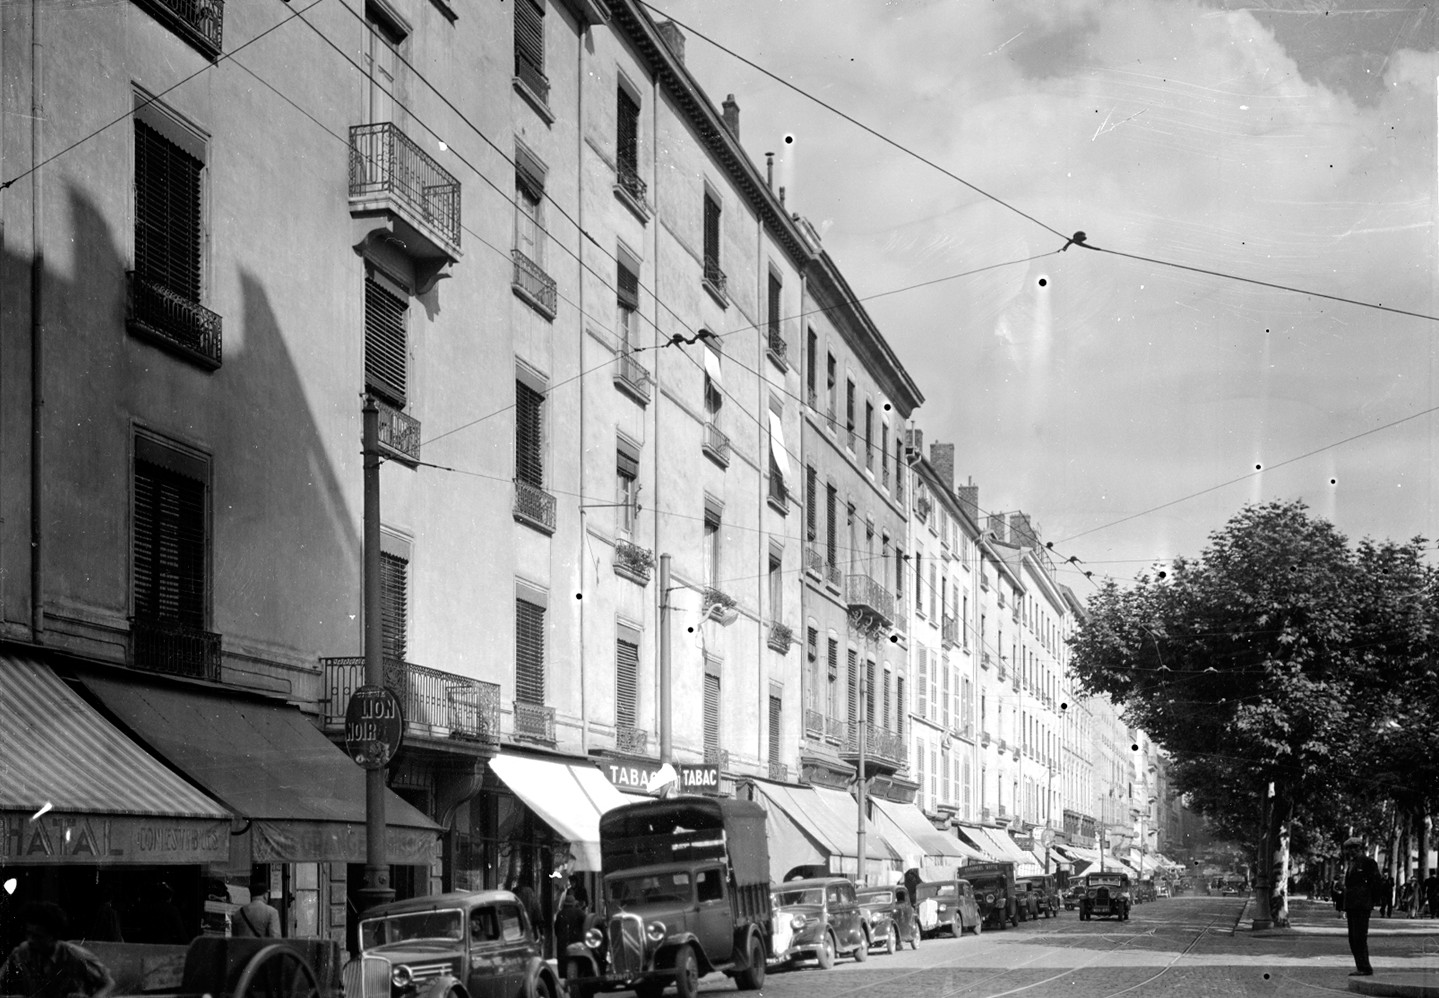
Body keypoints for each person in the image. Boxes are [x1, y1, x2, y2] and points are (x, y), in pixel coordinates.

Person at [1, 901, 116, 998]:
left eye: (37, 936)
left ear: (53, 936)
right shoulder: (23, 951)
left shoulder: (75, 955)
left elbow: (108, 983)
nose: (30, 940)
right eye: (28, 934)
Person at [1342, 836, 1382, 978]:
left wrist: (1371, 901)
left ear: (1360, 848)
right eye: (1349, 849)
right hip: (1352, 905)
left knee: (1359, 937)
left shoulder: (1368, 863)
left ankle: (1365, 967)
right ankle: (1361, 966)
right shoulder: (1351, 864)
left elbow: (1376, 883)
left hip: (1362, 905)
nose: (1351, 851)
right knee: (1353, 938)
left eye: (1354, 848)